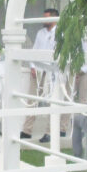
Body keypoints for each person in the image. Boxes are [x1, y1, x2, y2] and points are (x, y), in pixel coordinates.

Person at [20, 8, 59, 142]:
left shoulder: (61, 33)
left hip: (52, 70)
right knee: (32, 99)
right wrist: (32, 66)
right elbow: (34, 50)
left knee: (51, 101)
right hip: (38, 70)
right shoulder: (40, 33)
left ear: (53, 19)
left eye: (46, 17)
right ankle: (27, 130)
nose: (44, 20)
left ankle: (49, 131)